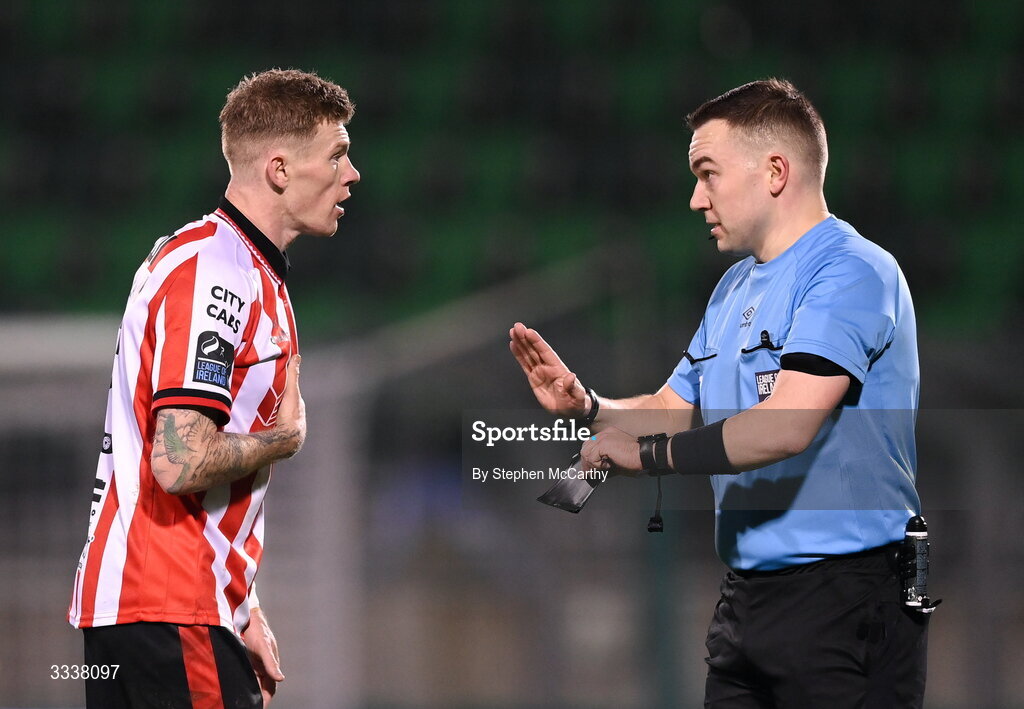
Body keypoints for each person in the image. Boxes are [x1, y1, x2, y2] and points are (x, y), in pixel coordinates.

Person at [510, 78, 927, 708]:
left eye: (708, 174)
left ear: (776, 171)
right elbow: (674, 411)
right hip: (749, 600)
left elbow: (786, 425)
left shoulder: (852, 270)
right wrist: (591, 407)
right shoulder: (734, 287)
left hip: (848, 598)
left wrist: (645, 458)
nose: (694, 198)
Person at [68, 68, 360, 708]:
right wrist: (281, 439)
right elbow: (179, 459)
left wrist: (242, 604)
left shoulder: (239, 267)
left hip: (165, 614)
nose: (352, 174)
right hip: (170, 609)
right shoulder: (217, 273)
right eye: (337, 154)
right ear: (280, 170)